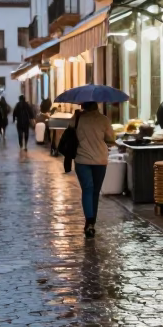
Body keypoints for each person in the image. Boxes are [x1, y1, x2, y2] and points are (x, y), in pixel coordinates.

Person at [74, 101, 116, 237]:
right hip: (100, 160)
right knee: (95, 192)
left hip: (82, 159)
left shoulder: (77, 118)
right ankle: (92, 223)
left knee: (87, 189)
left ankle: (89, 222)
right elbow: (111, 139)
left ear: (83, 105)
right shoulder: (104, 120)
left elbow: (69, 131)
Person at [57, 108, 81, 173]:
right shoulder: (80, 120)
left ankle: (68, 170)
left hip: (70, 143)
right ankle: (74, 170)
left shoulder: (72, 120)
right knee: (76, 157)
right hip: (75, 142)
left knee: (68, 157)